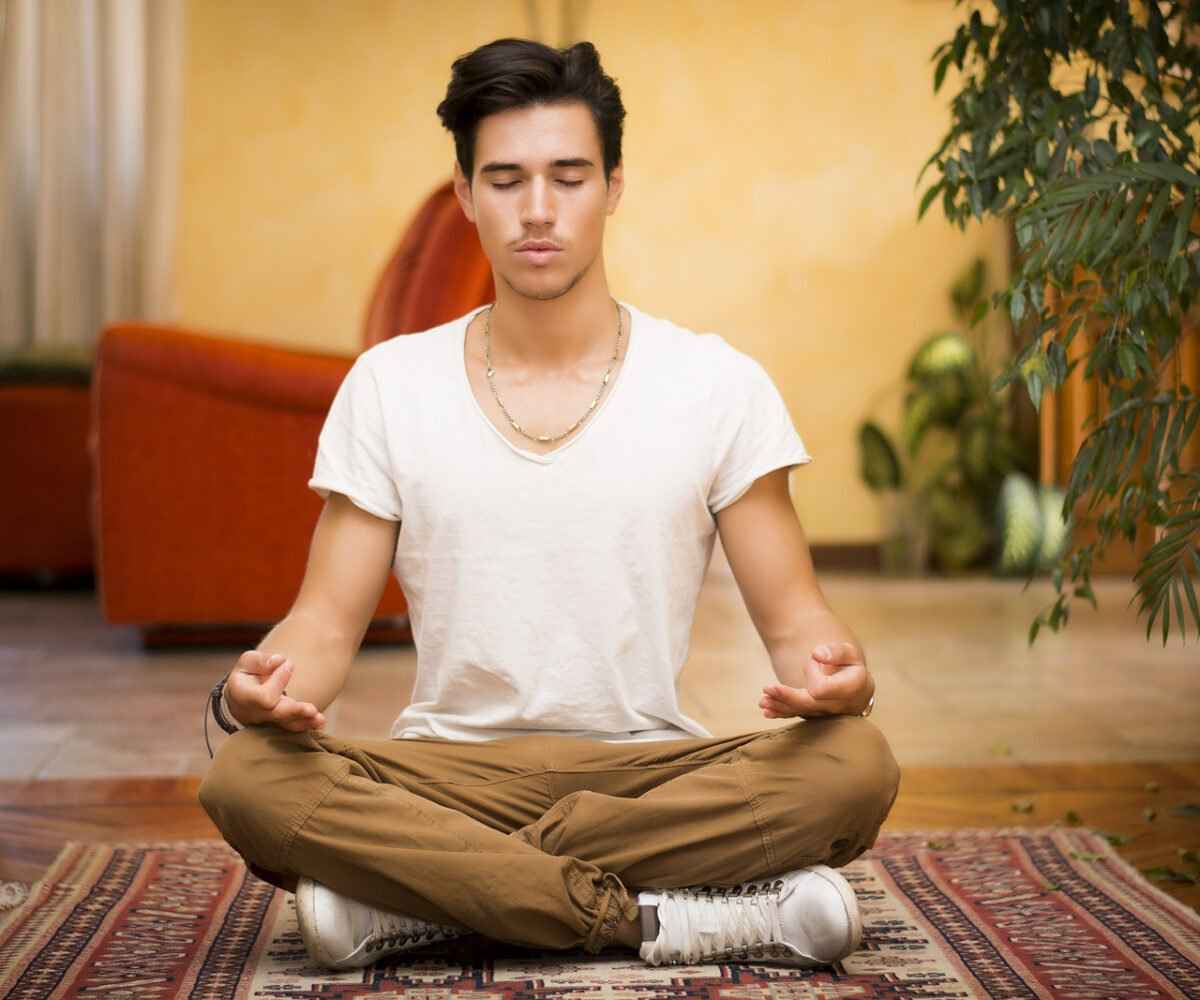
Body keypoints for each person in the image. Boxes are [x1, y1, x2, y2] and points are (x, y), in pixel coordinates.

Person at [199, 36, 900, 973]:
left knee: (856, 766)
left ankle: (429, 905)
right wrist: (262, 688)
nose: (537, 211)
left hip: (649, 772)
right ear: (463, 195)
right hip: (445, 774)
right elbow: (322, 627)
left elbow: (800, 622)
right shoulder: (389, 385)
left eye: (569, 177)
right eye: (506, 179)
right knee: (245, 775)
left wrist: (839, 678)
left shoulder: (716, 383)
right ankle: (660, 919)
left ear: (614, 186)